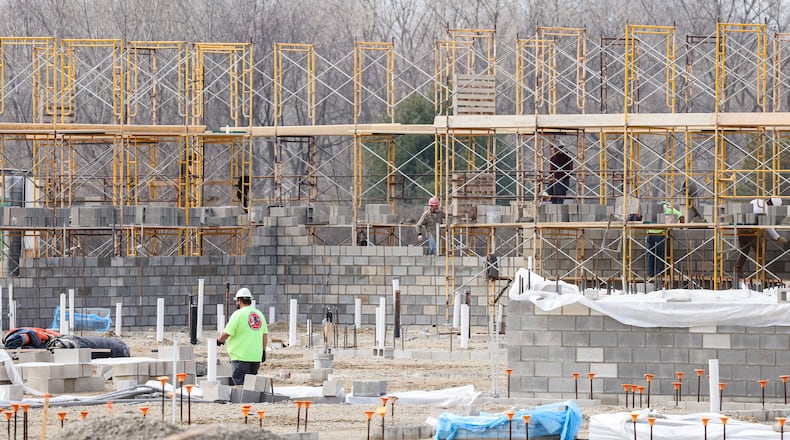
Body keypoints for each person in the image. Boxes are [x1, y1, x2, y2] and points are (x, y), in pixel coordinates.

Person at [217, 287, 268, 385]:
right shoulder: (259, 315)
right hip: (255, 357)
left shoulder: (238, 314)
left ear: (239, 301)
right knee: (251, 386)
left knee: (240, 386)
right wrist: (263, 351)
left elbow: (227, 333)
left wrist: (219, 340)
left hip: (240, 357)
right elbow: (264, 335)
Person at [733, 197, 789, 277]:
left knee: (744, 250)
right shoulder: (764, 209)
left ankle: (737, 270)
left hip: (740, 227)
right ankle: (762, 273)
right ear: (771, 204)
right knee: (760, 250)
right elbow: (768, 226)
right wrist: (778, 237)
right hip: (749, 229)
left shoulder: (758, 201)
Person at [646, 201, 684, 278]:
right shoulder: (669, 209)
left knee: (651, 254)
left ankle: (650, 273)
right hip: (661, 234)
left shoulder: (652, 209)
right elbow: (681, 216)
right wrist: (681, 227)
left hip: (650, 233)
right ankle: (659, 273)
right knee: (661, 254)